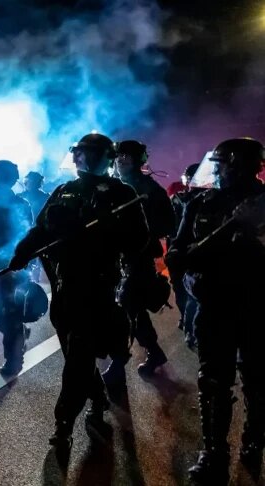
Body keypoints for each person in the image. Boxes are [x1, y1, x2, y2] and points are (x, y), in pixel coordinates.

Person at [5, 133, 148, 452]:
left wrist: (108, 227)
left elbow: (139, 240)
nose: (79, 158)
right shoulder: (64, 190)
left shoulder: (121, 193)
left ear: (104, 157)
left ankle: (64, 422)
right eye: (78, 152)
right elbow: (41, 230)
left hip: (98, 285)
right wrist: (22, 253)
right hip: (64, 283)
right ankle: (97, 398)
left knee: (80, 353)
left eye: (87, 153)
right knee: (74, 352)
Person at [166, 138, 265, 485]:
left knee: (257, 379)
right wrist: (182, 257)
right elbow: (178, 250)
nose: (217, 172)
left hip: (257, 306)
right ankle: (213, 451)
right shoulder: (201, 202)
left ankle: (254, 440)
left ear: (238, 165)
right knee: (212, 380)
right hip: (215, 305)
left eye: (221, 165)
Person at [102, 140, 175, 384]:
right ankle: (153, 351)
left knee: (127, 306)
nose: (120, 161)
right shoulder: (110, 186)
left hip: (138, 257)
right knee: (132, 309)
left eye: (126, 156)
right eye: (118, 156)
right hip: (112, 256)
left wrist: (140, 232)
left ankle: (119, 362)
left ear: (137, 160)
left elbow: (168, 224)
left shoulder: (150, 189)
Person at [0, 160, 33, 376]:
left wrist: (18, 260)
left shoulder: (20, 204)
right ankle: (19, 334)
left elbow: (26, 234)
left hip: (13, 268)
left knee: (10, 313)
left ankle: (14, 359)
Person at [167, 163, 204, 348]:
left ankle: (190, 329)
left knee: (188, 292)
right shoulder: (182, 199)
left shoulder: (200, 200)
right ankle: (189, 326)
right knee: (186, 291)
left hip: (188, 252)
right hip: (183, 251)